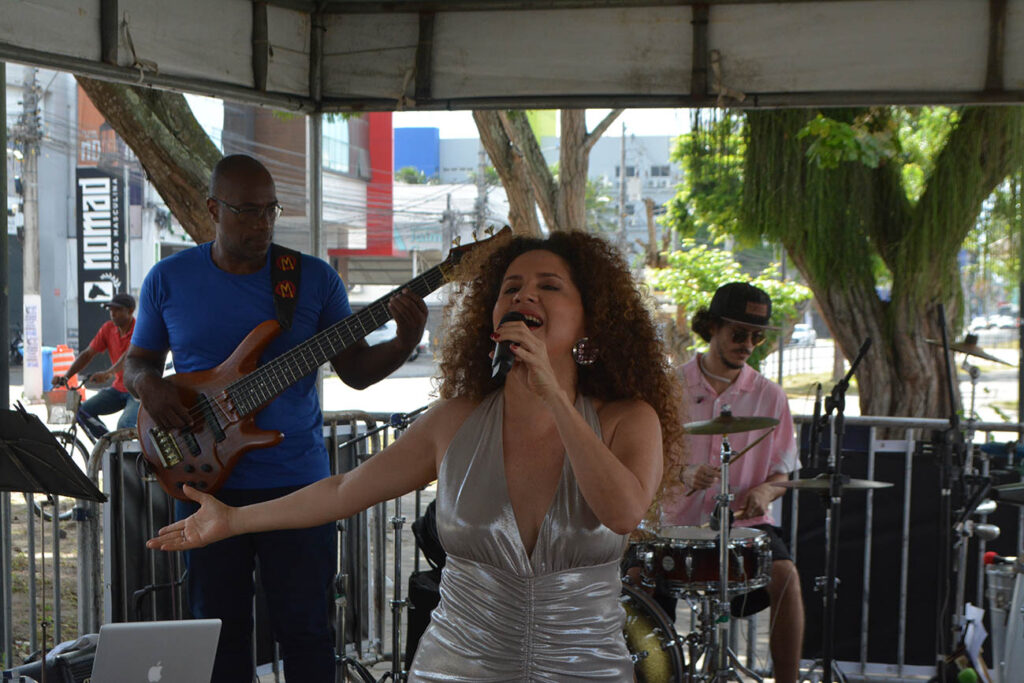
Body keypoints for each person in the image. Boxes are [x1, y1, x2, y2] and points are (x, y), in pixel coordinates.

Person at [147, 230, 684, 682]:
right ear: (492, 317)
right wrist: (235, 519)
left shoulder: (626, 418)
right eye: (510, 288)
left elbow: (623, 512)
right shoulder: (456, 419)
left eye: (550, 286)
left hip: (586, 669)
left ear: (591, 321)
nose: (525, 296)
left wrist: (554, 396)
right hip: (456, 667)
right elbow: (343, 491)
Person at [124, 154, 428, 683]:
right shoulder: (168, 279)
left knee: (308, 630)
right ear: (212, 208)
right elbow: (138, 361)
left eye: (270, 211)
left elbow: (354, 371)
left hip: (298, 486)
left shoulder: (311, 279)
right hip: (207, 481)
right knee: (218, 632)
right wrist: (149, 387)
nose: (261, 224)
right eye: (246, 212)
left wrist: (404, 342)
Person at [658, 281, 804, 683]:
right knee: (638, 583)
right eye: (739, 334)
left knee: (787, 577)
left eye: (757, 336)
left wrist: (765, 490)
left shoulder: (770, 396)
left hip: (745, 526)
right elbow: (645, 460)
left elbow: (782, 472)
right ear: (713, 328)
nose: (748, 344)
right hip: (677, 522)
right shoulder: (670, 387)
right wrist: (683, 474)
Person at [52, 292, 140, 439]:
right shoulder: (108, 329)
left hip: (137, 391)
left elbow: (128, 356)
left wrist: (108, 373)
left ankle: (125, 456)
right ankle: (108, 445)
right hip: (118, 388)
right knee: (83, 411)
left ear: (130, 311)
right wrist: (66, 377)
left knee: (124, 425)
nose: (113, 314)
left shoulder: (139, 329)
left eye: (117, 310)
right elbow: (87, 354)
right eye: (111, 310)